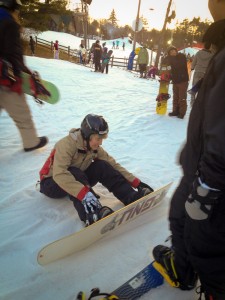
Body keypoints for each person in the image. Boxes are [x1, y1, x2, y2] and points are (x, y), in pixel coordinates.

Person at [152, 1, 225, 299]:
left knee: (209, 249)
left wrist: (208, 185)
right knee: (180, 219)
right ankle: (183, 270)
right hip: (200, 166)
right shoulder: (217, 50)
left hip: (212, 176)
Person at [38, 114, 154, 226]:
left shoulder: (93, 147)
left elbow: (112, 164)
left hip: (77, 178)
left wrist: (136, 182)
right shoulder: (66, 145)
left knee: (102, 165)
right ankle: (93, 213)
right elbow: (59, 174)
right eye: (98, 138)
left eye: (102, 138)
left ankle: (130, 196)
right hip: (51, 183)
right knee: (73, 171)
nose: (101, 142)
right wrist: (84, 194)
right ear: (88, 135)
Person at [0, 0, 48, 152]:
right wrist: (21, 73)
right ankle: (31, 142)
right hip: (5, 77)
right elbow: (13, 52)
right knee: (21, 112)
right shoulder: (9, 24)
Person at [163, 46, 189, 119]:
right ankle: (175, 111)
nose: (173, 52)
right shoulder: (171, 59)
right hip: (175, 81)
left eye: (174, 51)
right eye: (171, 52)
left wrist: (169, 58)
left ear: (176, 51)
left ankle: (182, 113)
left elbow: (179, 64)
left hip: (183, 80)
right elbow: (166, 66)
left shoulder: (181, 56)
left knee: (182, 97)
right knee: (175, 97)